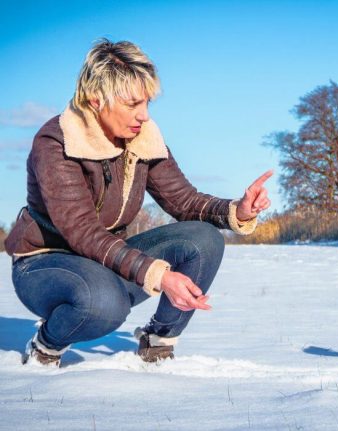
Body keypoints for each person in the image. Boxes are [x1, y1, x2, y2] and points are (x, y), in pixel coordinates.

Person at [5, 39, 272, 366]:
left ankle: (157, 342)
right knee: (104, 304)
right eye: (133, 104)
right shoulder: (57, 142)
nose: (144, 115)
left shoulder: (143, 138)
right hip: (46, 264)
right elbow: (84, 233)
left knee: (204, 239)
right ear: (97, 100)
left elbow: (183, 201)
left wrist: (238, 210)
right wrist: (160, 276)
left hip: (105, 260)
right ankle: (46, 346)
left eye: (146, 103)